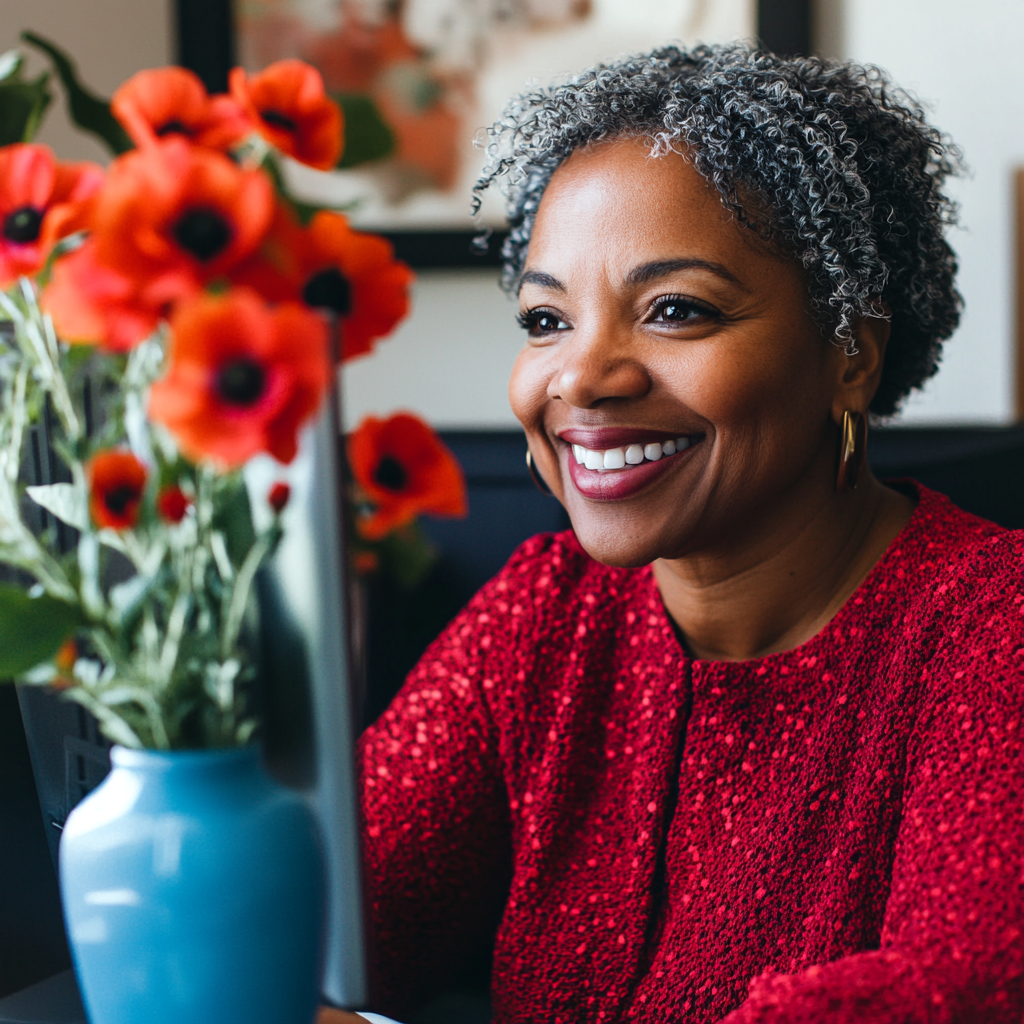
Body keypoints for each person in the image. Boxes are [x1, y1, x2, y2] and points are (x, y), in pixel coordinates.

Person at [322, 43, 1023, 1024]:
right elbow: (329, 912)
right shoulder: (544, 614)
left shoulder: (995, 631)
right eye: (544, 319)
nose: (579, 377)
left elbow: (967, 988)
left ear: (850, 357)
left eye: (674, 310)